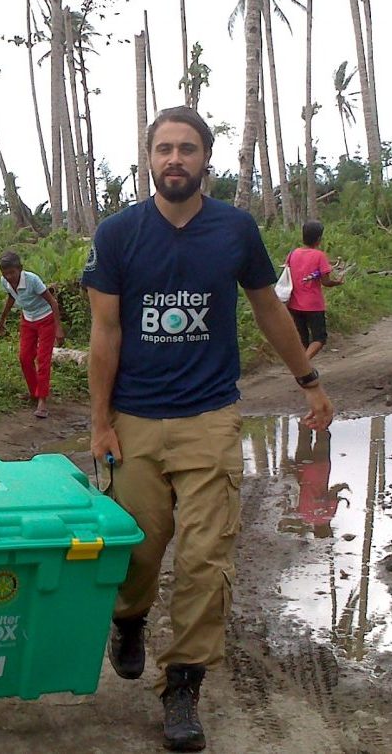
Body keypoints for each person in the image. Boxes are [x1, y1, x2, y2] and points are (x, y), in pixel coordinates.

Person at [81, 105, 333, 752]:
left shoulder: (234, 230)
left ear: (204, 159)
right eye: (163, 148)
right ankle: (128, 618)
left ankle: (183, 685)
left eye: (186, 149)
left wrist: (308, 381)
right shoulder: (116, 235)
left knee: (204, 558)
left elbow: (270, 313)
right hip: (134, 417)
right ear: (147, 158)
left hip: (209, 415)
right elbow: (103, 333)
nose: (174, 159)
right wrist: (99, 425)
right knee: (138, 548)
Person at [0, 251, 65, 419]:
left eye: (12, 272)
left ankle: (42, 399)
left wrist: (58, 328)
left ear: (20, 269)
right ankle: (34, 392)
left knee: (43, 359)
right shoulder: (5, 281)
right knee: (25, 357)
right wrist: (2, 319)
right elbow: (11, 298)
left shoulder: (32, 280)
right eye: (5, 273)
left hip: (46, 319)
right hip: (27, 319)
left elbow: (52, 302)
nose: (10, 276)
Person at [285, 220, 344, 360]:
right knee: (319, 338)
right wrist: (337, 282)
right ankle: (304, 365)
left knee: (302, 340)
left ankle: (302, 366)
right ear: (318, 239)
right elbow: (326, 282)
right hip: (313, 305)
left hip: (294, 304)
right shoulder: (319, 256)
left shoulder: (293, 254)